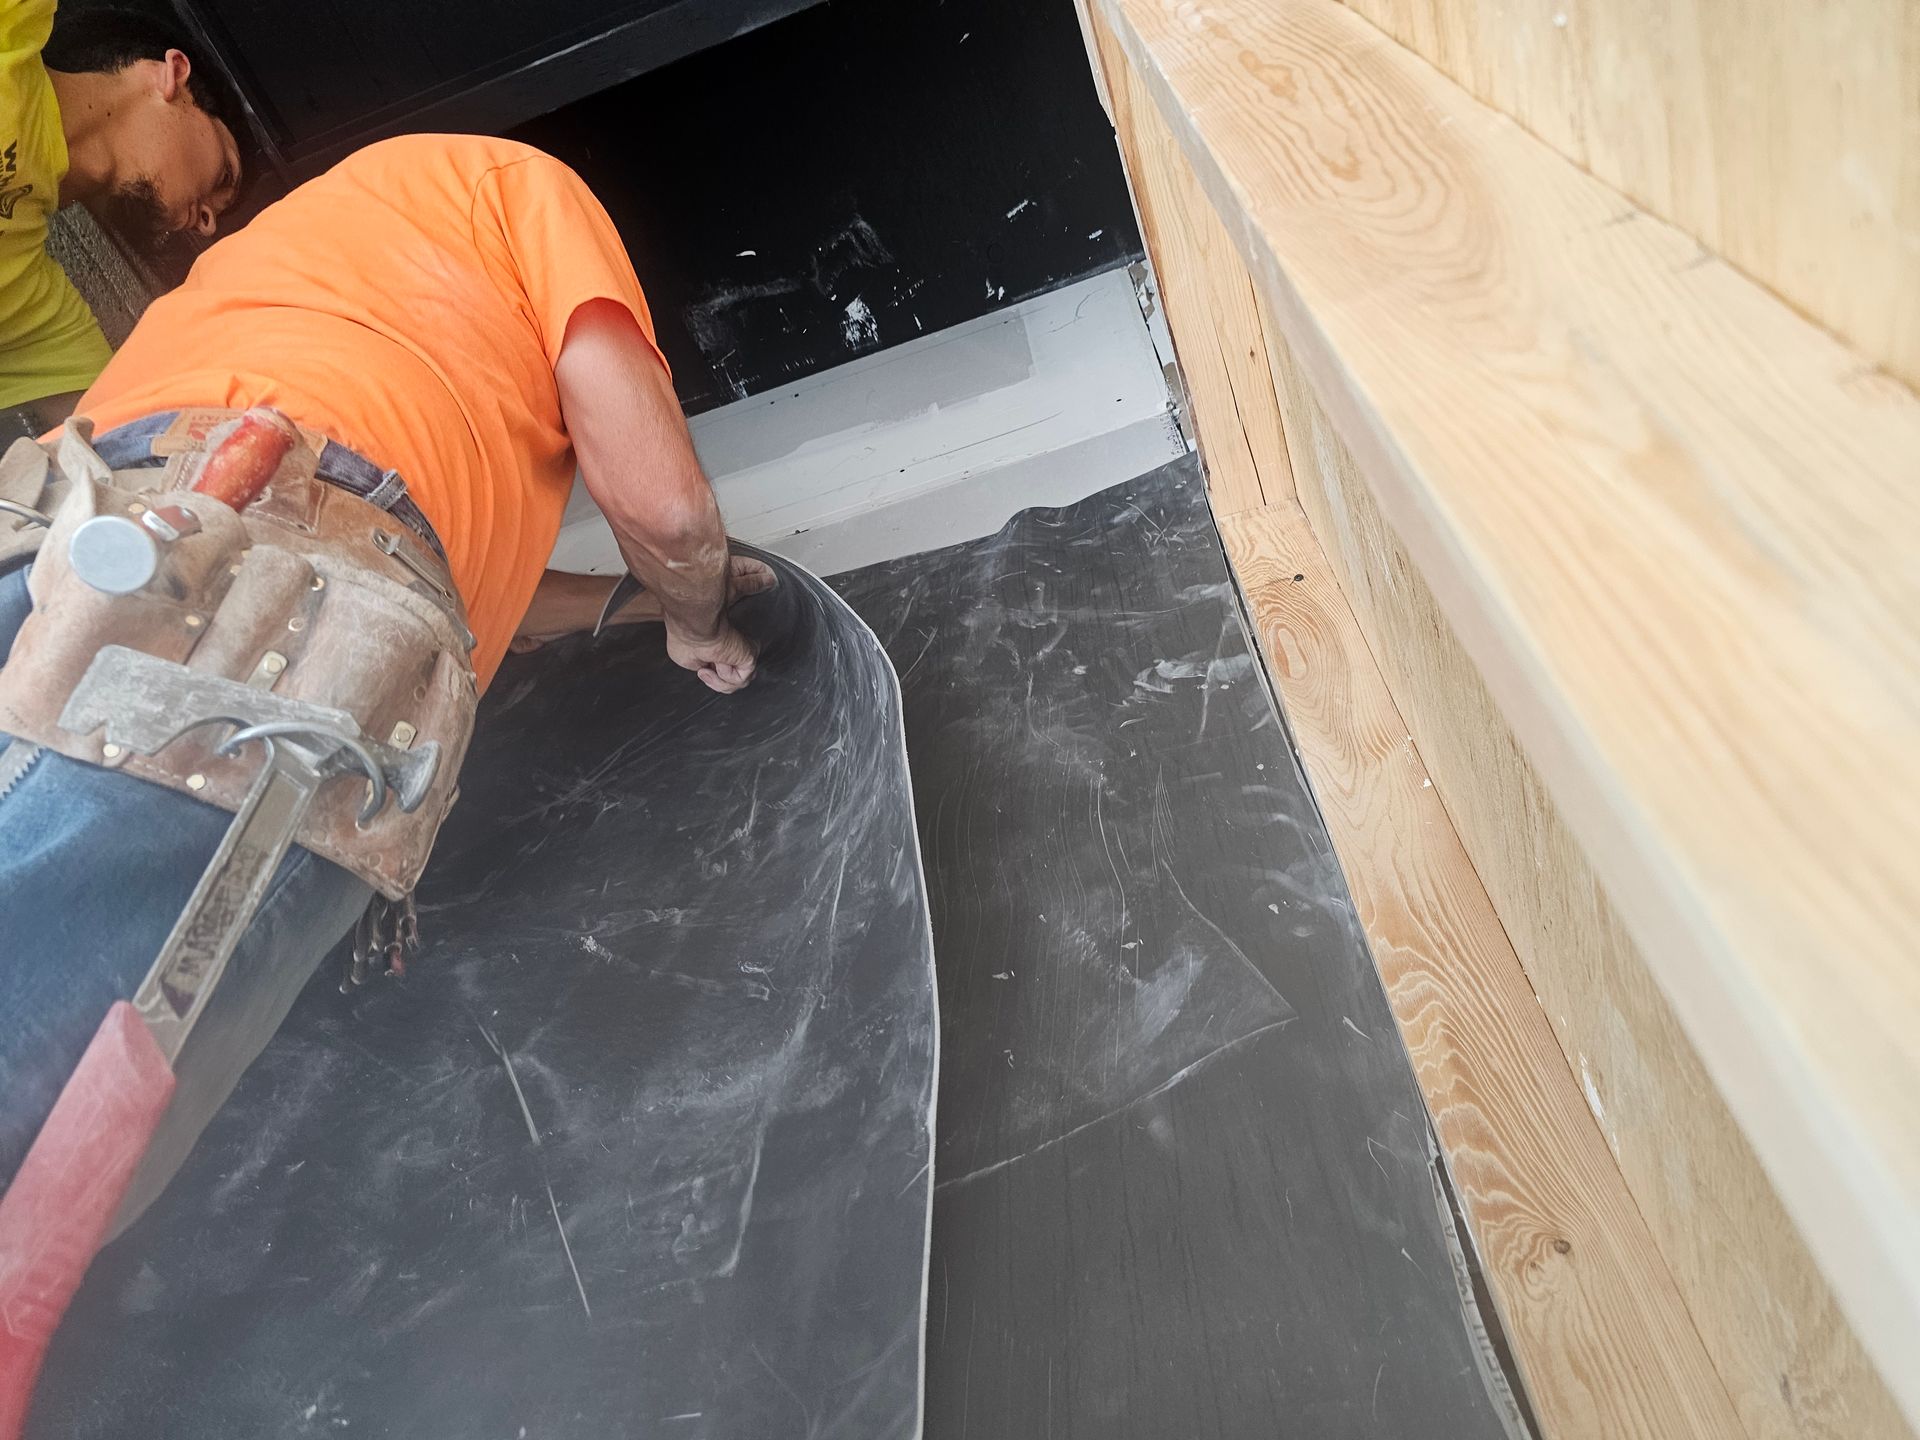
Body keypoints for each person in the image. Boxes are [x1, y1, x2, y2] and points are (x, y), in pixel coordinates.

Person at [0, 132, 768, 1218]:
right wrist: (694, 613)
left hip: (65, 528)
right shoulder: (530, 189)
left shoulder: (320, 251)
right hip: (257, 610)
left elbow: (454, 568)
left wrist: (630, 602)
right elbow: (667, 506)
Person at [2, 2, 246, 431]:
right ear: (174, 73)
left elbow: (109, 437)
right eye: (224, 171)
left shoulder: (41, 318)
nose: (207, 223)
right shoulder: (15, 26)